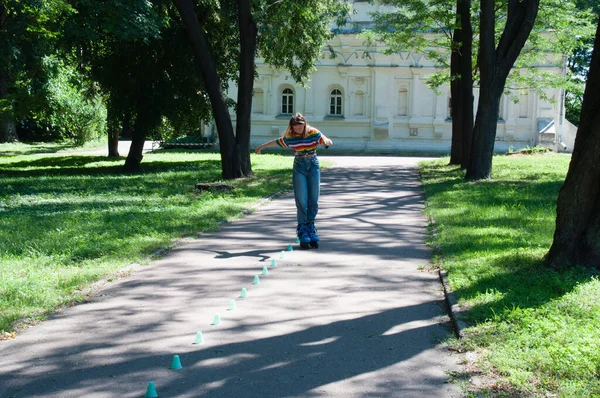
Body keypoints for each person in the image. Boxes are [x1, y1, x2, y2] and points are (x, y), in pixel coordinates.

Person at [255, 113, 333, 248]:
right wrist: (261, 146)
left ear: (304, 124)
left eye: (300, 127)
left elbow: (324, 138)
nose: (298, 130)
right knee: (302, 200)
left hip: (313, 165)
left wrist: (327, 141)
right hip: (299, 167)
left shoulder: (312, 133)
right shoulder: (290, 137)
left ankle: (310, 228)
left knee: (313, 200)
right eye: (295, 127)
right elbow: (277, 141)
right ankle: (302, 231)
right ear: (291, 127)